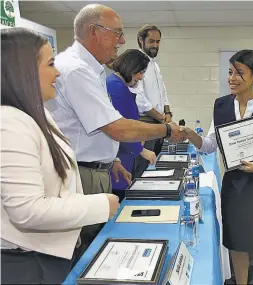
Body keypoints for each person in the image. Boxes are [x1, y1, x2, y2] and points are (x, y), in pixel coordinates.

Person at [45, 4, 184, 256]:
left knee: (95, 243)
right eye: (116, 33)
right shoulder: (77, 70)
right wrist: (165, 129)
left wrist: (111, 159)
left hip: (94, 169)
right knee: (84, 251)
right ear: (94, 31)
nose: (121, 40)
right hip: (80, 173)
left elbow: (95, 126)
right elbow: (116, 127)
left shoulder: (92, 70)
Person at [1, 28, 120, 284]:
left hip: (45, 254)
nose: (58, 73)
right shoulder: (9, 123)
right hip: (27, 263)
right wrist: (100, 205)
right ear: (24, 71)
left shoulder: (37, 115)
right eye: (51, 64)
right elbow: (27, 210)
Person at [182, 50, 253, 285]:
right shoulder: (221, 106)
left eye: (239, 73)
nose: (232, 78)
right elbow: (209, 145)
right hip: (234, 184)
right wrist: (190, 135)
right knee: (237, 240)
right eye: (230, 72)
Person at [107, 49, 157, 201]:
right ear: (130, 67)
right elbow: (121, 128)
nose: (141, 77)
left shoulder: (118, 85)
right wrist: (141, 150)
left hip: (124, 156)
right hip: (119, 157)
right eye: (140, 72)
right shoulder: (115, 87)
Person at [132, 24, 173, 178]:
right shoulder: (137, 64)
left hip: (159, 123)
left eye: (158, 41)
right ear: (141, 41)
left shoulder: (154, 65)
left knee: (156, 167)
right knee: (142, 170)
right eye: (151, 41)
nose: (155, 45)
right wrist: (162, 118)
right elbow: (140, 99)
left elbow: (163, 92)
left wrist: (168, 112)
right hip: (146, 122)